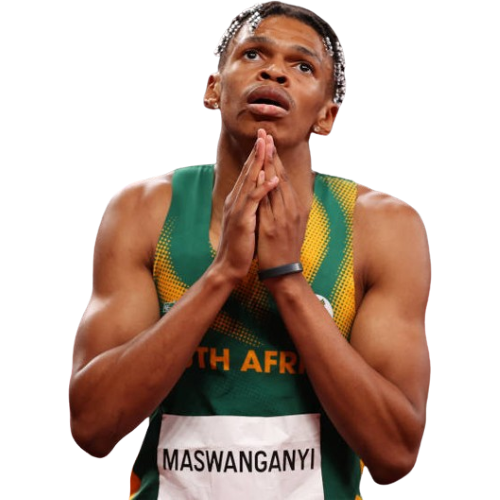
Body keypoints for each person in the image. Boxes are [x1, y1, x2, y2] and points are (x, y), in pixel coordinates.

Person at [68, 2, 431, 499]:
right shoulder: (143, 211)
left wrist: (286, 278)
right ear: (213, 89)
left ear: (326, 116)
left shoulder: (383, 226)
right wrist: (222, 274)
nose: (274, 71)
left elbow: (394, 454)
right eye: (254, 53)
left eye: (302, 66)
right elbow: (92, 427)